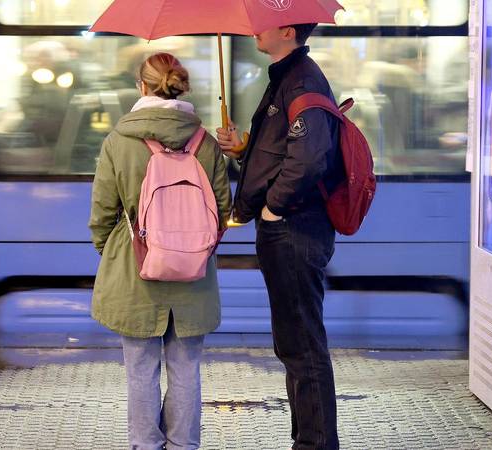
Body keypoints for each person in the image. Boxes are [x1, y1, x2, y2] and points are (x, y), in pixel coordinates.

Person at [89, 52, 231, 450]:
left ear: (142, 86)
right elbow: (223, 212)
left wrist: (116, 254)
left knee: (140, 372)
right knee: (186, 371)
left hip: (135, 274)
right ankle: (183, 445)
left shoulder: (119, 141)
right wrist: (192, 248)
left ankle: (146, 445)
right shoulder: (206, 143)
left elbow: (102, 214)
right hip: (194, 275)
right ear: (179, 85)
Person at [216, 24, 343, 450]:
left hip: (292, 228)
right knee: (295, 346)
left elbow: (310, 159)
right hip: (290, 227)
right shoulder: (287, 78)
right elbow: (284, 152)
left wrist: (274, 207)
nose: (255, 29)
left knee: (302, 347)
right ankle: (308, 440)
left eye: (265, 22)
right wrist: (243, 150)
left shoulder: (301, 81)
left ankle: (315, 444)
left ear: (287, 31)